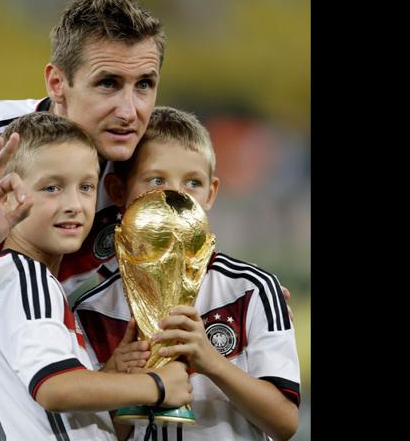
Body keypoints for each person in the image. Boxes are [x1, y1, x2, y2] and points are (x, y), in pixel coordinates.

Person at [0, 0, 293, 439]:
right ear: (58, 83)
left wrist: (237, 288)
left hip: (46, 381)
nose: (129, 110)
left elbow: (181, 259)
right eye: (108, 83)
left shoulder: (142, 164)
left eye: (144, 85)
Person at [75, 106, 300, 440]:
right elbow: (96, 433)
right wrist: (116, 377)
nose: (175, 195)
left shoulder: (253, 289)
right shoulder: (92, 311)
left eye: (192, 182)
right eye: (156, 180)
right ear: (119, 191)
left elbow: (285, 423)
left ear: (210, 193)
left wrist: (211, 361)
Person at [0, 112, 193, 440]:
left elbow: (52, 407)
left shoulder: (19, 278)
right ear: (6, 196)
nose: (74, 204)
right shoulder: (27, 281)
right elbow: (54, 388)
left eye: (86, 187)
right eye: (52, 187)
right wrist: (156, 386)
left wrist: (110, 374)